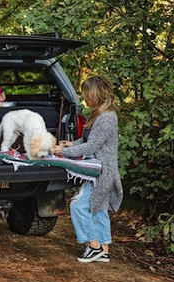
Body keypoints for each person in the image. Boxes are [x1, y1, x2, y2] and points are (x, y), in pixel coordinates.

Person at [51, 75, 123, 263]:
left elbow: (92, 147)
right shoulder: (98, 114)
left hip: (101, 172)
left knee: (78, 205)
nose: (85, 99)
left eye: (86, 95)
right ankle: (104, 250)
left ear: (96, 94)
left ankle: (93, 246)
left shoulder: (107, 118)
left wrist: (63, 152)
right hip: (96, 169)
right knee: (98, 209)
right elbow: (86, 140)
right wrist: (69, 144)